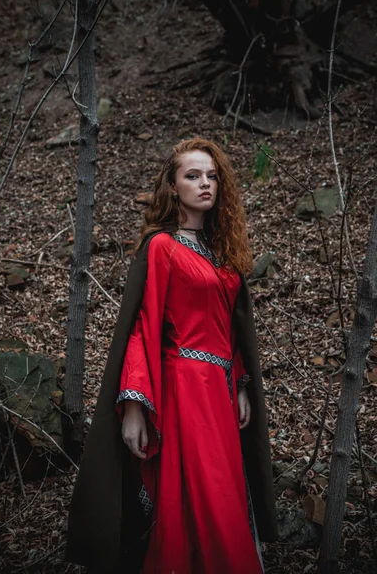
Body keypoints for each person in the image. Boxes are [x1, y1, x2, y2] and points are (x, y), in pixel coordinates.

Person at [66, 138, 277, 574]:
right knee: (202, 496)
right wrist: (133, 409)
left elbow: (230, 330)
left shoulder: (224, 251)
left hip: (219, 391)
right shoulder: (162, 247)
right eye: (193, 175)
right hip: (182, 386)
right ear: (172, 185)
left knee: (227, 493)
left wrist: (239, 383)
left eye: (212, 176)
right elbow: (143, 327)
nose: (206, 184)